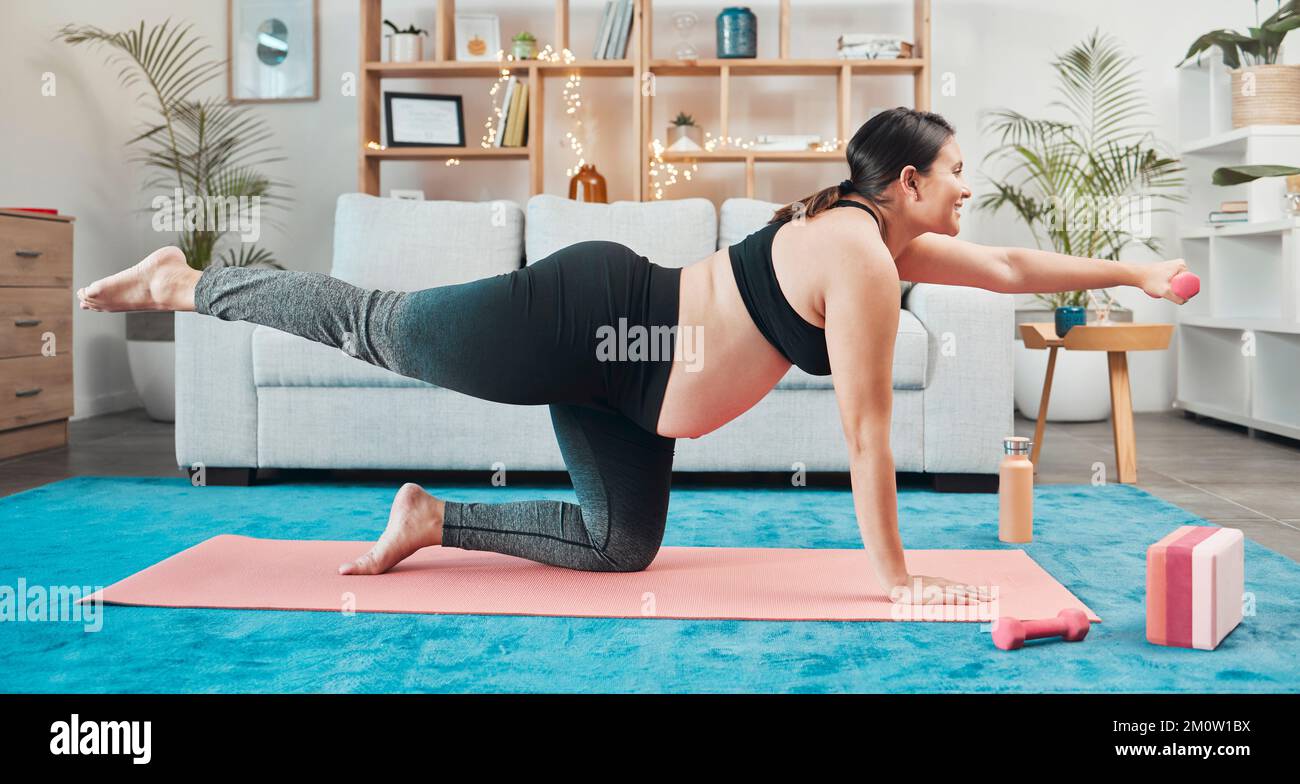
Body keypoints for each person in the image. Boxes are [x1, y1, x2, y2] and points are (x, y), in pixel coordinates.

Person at [77, 107, 1191, 606]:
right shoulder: (854, 251)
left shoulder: (886, 236)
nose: (965, 191)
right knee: (382, 327)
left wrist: (1128, 274)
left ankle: (431, 519)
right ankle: (190, 282)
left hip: (631, 393)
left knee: (619, 548)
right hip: (589, 316)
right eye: (955, 174)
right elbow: (865, 431)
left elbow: (1002, 267)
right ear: (906, 183)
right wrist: (896, 576)